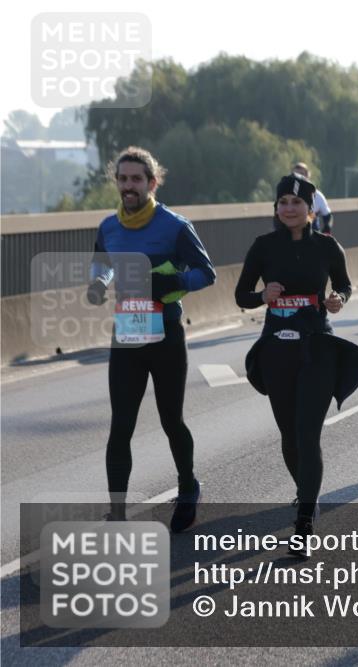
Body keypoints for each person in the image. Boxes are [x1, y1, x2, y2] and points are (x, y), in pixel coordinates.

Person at [236, 173, 358, 554]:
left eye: (297, 203)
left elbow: (345, 285)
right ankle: (305, 491)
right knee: (289, 435)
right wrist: (263, 295)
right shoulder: (263, 247)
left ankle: (305, 519)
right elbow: (241, 295)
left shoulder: (327, 247)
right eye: (283, 203)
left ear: (311, 210)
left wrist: (338, 298)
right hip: (277, 349)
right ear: (276, 208)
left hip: (317, 348)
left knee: (308, 433)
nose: (289, 209)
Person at [87, 146, 216, 530]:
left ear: (152, 183)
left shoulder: (175, 226)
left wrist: (171, 282)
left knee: (170, 420)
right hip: (127, 334)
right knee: (120, 424)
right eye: (123, 179)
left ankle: (188, 486)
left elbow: (206, 273)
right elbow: (103, 261)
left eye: (136, 179)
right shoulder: (109, 226)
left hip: (165, 335)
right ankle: (117, 513)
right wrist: (99, 281)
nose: (129, 186)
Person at [292, 163, 333, 235]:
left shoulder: (317, 196)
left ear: (308, 175)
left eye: (301, 174)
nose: (298, 177)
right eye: (296, 174)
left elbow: (328, 216)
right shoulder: (287, 196)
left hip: (313, 237)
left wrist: (327, 228)